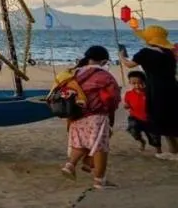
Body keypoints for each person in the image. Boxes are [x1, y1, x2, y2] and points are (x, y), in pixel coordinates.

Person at [59, 45, 122, 189]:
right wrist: (110, 115)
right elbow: (113, 98)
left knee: (81, 142)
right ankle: (100, 181)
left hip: (76, 115)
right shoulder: (104, 76)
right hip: (96, 116)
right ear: (104, 61)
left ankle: (70, 165)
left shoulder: (75, 74)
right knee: (100, 147)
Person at [118, 25, 178, 160]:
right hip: (173, 88)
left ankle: (174, 152)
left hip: (156, 90)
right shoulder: (167, 53)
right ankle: (174, 151)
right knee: (172, 120)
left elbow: (129, 65)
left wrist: (121, 56)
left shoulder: (145, 52)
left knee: (162, 120)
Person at [124, 71, 161, 153]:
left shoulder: (149, 92)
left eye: (140, 83)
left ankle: (158, 150)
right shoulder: (128, 94)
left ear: (144, 82)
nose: (137, 85)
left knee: (154, 136)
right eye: (134, 83)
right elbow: (126, 105)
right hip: (135, 117)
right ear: (130, 82)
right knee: (133, 130)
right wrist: (126, 106)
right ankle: (141, 141)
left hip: (150, 118)